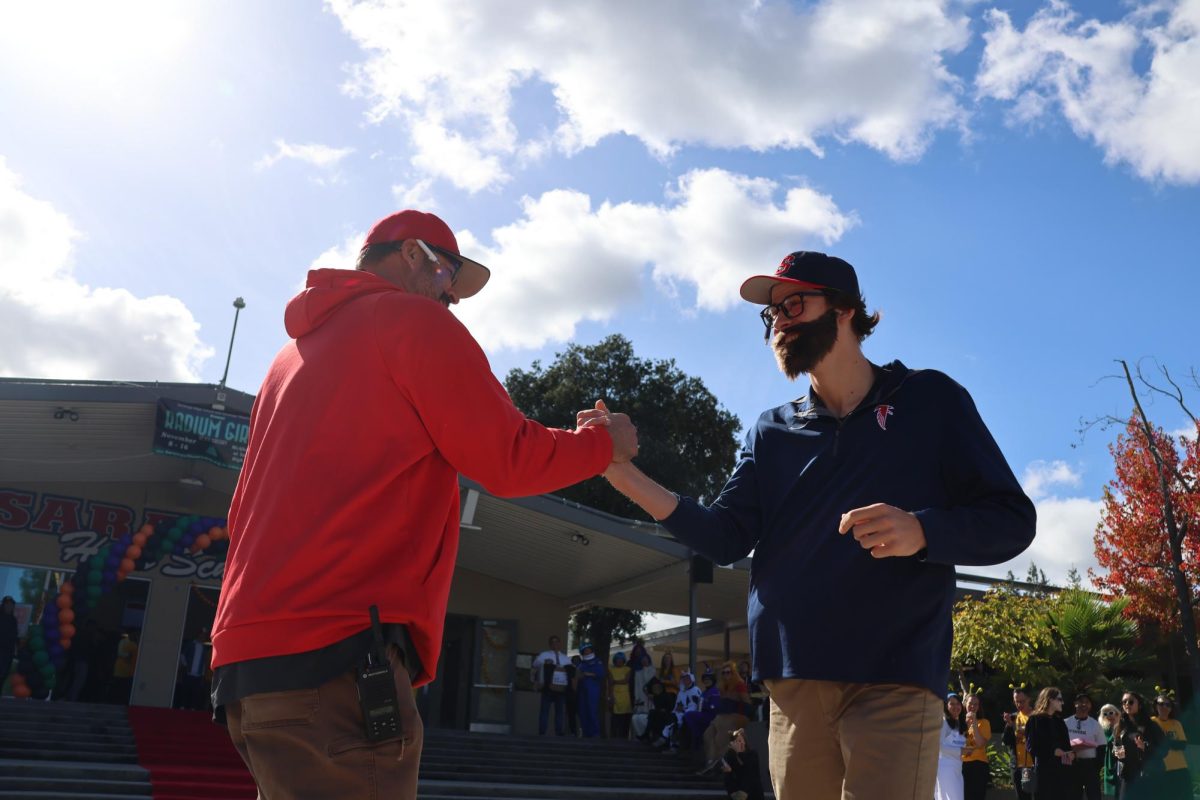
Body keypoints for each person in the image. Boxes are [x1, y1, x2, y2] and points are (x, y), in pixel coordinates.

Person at [209, 209, 638, 799]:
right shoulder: (408, 319)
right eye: (450, 277)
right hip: (339, 654)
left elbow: (239, 515)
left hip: (249, 659)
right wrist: (603, 444)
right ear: (412, 254)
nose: (452, 300)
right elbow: (507, 457)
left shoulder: (286, 361)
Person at [600, 251, 1037, 799]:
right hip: (795, 678)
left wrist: (924, 530)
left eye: (794, 303)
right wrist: (622, 474)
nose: (779, 321)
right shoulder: (771, 431)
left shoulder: (931, 400)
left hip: (896, 674)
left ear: (846, 310)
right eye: (773, 312)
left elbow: (1013, 520)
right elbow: (724, 535)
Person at [1112, 692, 1164, 799]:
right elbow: (1115, 747)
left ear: (1139, 705)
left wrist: (1145, 747)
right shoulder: (1120, 726)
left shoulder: (1151, 725)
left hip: (1148, 774)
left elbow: (1164, 750)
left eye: (1131, 702)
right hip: (1127, 775)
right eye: (1124, 702)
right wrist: (1117, 753)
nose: (1127, 704)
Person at [1025, 687, 1073, 799]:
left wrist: (1071, 753)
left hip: (1061, 772)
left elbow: (1066, 745)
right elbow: (1031, 746)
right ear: (1050, 699)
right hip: (1043, 772)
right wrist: (1053, 751)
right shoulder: (1034, 720)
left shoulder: (1059, 721)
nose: (1063, 702)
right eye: (1059, 699)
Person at [1065, 693, 1105, 800]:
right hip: (1071, 765)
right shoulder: (1066, 723)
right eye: (1081, 701)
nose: (1084, 704)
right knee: (1072, 795)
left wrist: (1096, 766)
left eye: (1087, 702)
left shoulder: (1095, 724)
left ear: (1090, 706)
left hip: (1090, 765)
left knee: (1094, 795)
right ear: (1075, 704)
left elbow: (1102, 747)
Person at [1150, 693, 1190, 800]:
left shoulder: (1176, 723)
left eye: (1168, 705)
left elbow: (1182, 745)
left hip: (1180, 768)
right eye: (1161, 704)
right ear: (1155, 706)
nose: (1165, 707)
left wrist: (1163, 742)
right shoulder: (1151, 722)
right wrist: (1171, 743)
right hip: (1161, 770)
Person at [532, 634, 571, 736]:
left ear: (560, 643)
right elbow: (535, 665)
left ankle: (559, 732)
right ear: (550, 644)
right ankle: (542, 732)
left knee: (559, 711)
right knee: (544, 711)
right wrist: (544, 663)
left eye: (557, 642)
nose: (555, 644)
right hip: (547, 688)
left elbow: (571, 671)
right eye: (553, 642)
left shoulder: (565, 658)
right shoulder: (544, 655)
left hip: (560, 689)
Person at [1005, 686, 1037, 800]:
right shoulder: (1013, 717)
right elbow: (1006, 741)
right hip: (1018, 767)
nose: (1019, 704)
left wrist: (1027, 732)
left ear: (1029, 699)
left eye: (1022, 701)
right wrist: (1009, 725)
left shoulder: (1037, 716)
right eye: (1016, 701)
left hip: (1034, 765)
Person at [936, 693, 967, 800]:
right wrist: (960, 751)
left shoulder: (960, 724)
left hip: (957, 768)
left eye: (958, 704)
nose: (955, 707)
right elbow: (938, 747)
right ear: (946, 706)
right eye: (952, 704)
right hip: (945, 768)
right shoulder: (943, 723)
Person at [721, 728, 766, 800]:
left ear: (744, 742)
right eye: (736, 741)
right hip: (736, 793)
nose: (739, 743)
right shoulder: (730, 756)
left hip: (753, 794)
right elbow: (728, 778)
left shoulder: (752, 754)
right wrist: (728, 772)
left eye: (740, 740)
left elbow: (749, 773)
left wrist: (739, 752)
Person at [961, 693, 991, 800]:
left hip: (978, 766)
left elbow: (980, 744)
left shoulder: (984, 723)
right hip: (961, 765)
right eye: (970, 704)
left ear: (979, 707)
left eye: (976, 704)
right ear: (965, 704)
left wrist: (974, 723)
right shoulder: (958, 723)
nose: (972, 706)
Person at [176, 626, 211, 711]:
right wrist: (185, 666)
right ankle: (183, 705)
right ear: (198, 635)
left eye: (204, 636)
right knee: (185, 690)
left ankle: (193, 707)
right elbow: (182, 655)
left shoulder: (204, 648)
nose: (203, 637)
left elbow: (203, 663)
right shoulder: (191, 644)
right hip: (188, 673)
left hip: (198, 675)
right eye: (202, 635)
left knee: (195, 693)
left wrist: (202, 674)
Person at [575, 642, 605, 738]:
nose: (587, 651)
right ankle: (586, 733)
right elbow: (577, 675)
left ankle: (595, 734)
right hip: (582, 690)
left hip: (593, 689)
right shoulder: (581, 664)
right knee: (583, 712)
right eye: (585, 650)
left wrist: (588, 674)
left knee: (592, 711)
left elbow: (601, 674)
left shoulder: (597, 661)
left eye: (588, 649)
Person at [608, 651, 633, 740]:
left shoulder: (627, 669)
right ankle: (614, 737)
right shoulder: (611, 669)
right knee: (615, 717)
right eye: (617, 660)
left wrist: (615, 681)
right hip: (615, 694)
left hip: (625, 695)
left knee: (625, 717)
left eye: (621, 660)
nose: (619, 661)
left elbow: (626, 681)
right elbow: (610, 683)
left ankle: (624, 737)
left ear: (623, 660)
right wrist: (610, 696)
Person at [1097, 703, 1120, 800]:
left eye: (1111, 713)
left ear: (1116, 713)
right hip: (1110, 761)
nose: (1108, 716)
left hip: (1123, 761)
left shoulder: (1123, 724)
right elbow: (1107, 742)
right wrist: (1114, 730)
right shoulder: (1103, 729)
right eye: (1105, 714)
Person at [108, 630, 137, 704]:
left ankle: (121, 701)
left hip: (129, 670)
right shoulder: (123, 642)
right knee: (118, 685)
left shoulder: (134, 644)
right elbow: (120, 652)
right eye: (133, 633)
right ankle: (113, 701)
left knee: (125, 687)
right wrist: (128, 655)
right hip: (120, 669)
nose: (134, 635)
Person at [0, 596, 17, 689]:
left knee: (3, 674)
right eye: (8, 604)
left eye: (12, 605)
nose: (10, 607)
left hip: (8, 652)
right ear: (4, 605)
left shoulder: (13, 620)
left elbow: (14, 636)